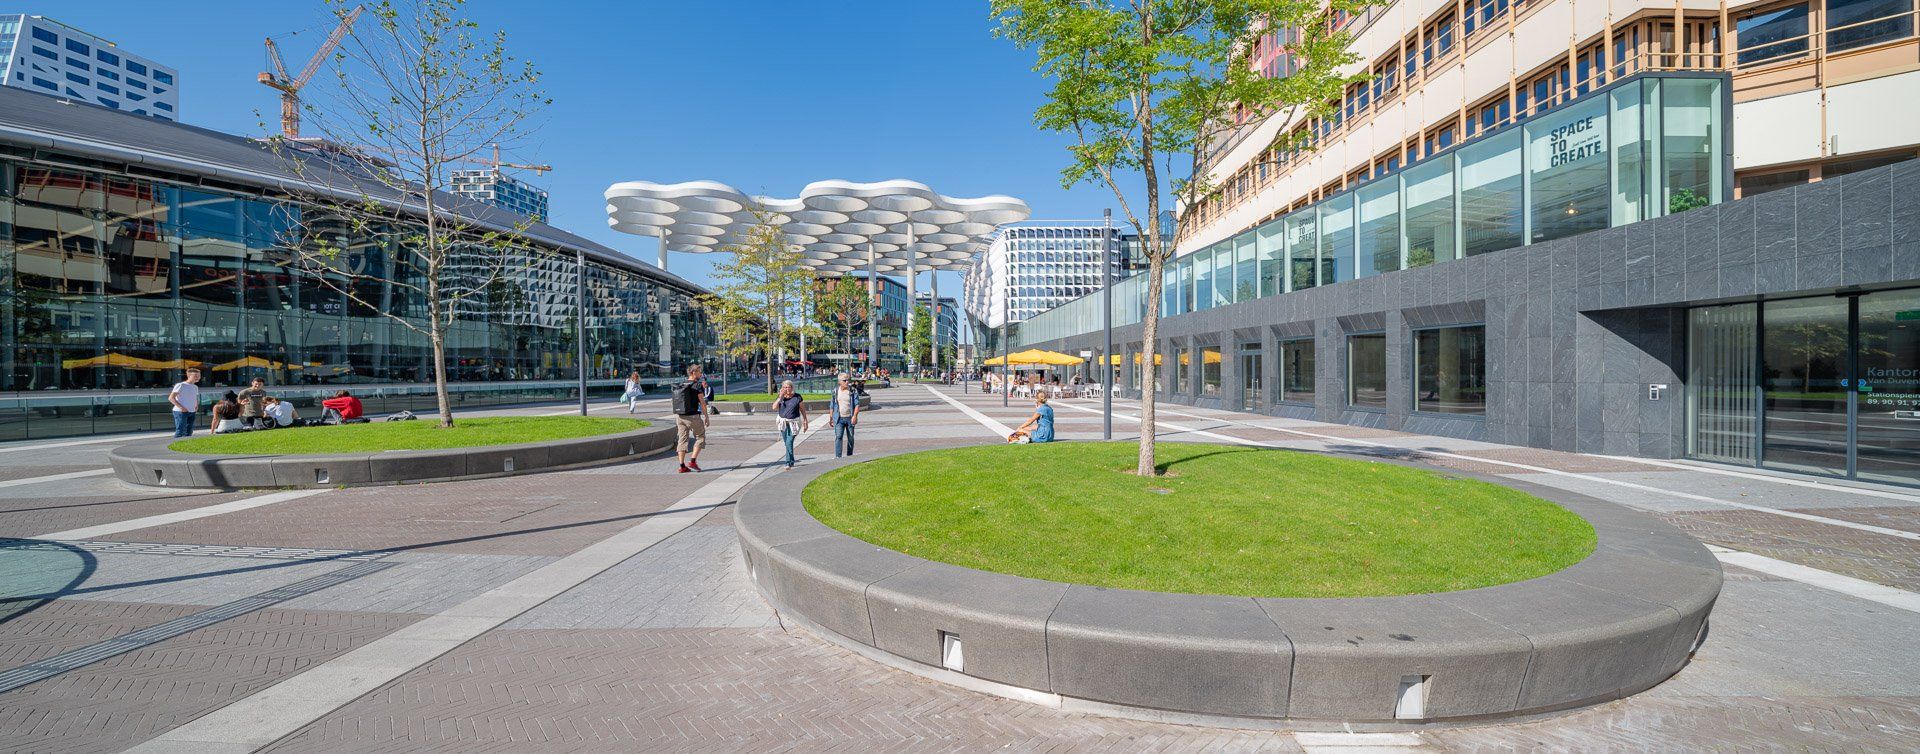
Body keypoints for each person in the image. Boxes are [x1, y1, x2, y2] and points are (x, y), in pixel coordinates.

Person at [672, 365, 709, 473]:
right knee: (700, 437)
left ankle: (682, 466)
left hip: (680, 416)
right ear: (693, 372)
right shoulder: (697, 385)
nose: (700, 374)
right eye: (699, 372)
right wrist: (706, 416)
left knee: (682, 440)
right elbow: (702, 402)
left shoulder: (682, 384)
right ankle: (692, 461)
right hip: (693, 416)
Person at [773, 379, 809, 468]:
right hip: (783, 423)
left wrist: (805, 420)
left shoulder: (797, 397)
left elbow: (802, 409)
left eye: (789, 387)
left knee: (789, 442)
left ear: (792, 388)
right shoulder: (781, 397)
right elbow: (774, 407)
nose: (787, 389)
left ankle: (788, 463)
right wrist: (780, 397)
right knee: (787, 443)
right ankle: (792, 460)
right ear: (782, 388)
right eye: (785, 387)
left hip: (794, 422)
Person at [830, 372, 860, 458]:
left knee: (850, 438)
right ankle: (838, 457)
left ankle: (849, 456)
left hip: (850, 418)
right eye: (845, 380)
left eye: (848, 380)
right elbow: (832, 405)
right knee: (838, 437)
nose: (847, 382)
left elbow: (857, 404)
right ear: (839, 382)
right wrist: (831, 417)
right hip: (839, 418)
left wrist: (855, 416)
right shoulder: (835, 391)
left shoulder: (852, 391)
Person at [168, 367, 202, 438]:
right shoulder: (181, 385)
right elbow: (171, 398)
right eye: (195, 376)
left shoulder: (195, 387)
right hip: (181, 412)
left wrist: (196, 405)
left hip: (192, 411)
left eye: (199, 376)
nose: (198, 377)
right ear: (189, 376)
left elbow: (194, 397)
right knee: (180, 431)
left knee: (189, 432)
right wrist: (182, 408)